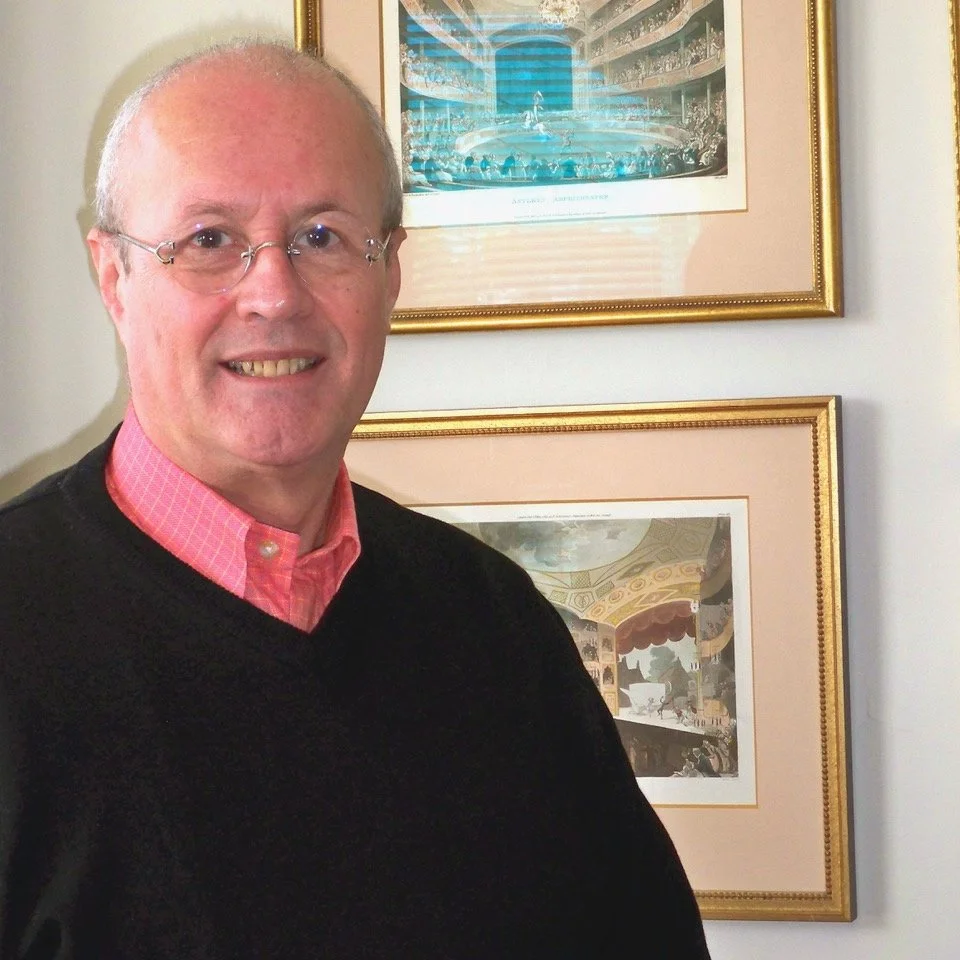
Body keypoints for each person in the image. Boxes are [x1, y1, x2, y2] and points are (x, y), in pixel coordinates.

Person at [0, 41, 711, 958]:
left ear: (390, 274)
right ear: (114, 279)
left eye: (322, 237)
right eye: (208, 240)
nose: (273, 294)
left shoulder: (497, 624)